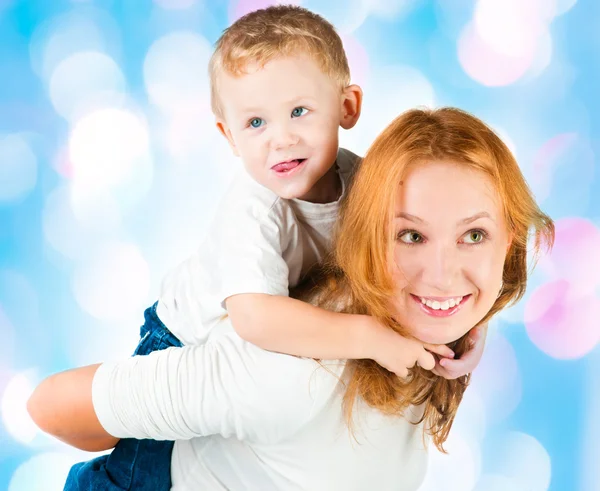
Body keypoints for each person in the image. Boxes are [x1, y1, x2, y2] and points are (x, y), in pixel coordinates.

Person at [45, 5, 485, 490]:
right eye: (255, 123)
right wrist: (370, 336)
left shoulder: (365, 182)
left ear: (348, 107)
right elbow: (256, 319)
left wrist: (466, 322)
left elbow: (423, 253)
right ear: (227, 135)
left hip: (279, 324)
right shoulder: (254, 207)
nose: (281, 139)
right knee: (136, 464)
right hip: (187, 334)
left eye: (299, 111)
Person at [28, 107, 554, 491]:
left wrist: (469, 326)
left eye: (473, 236)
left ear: (508, 239)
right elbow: (50, 406)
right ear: (367, 233)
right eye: (410, 236)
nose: (442, 277)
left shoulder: (438, 322)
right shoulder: (283, 379)